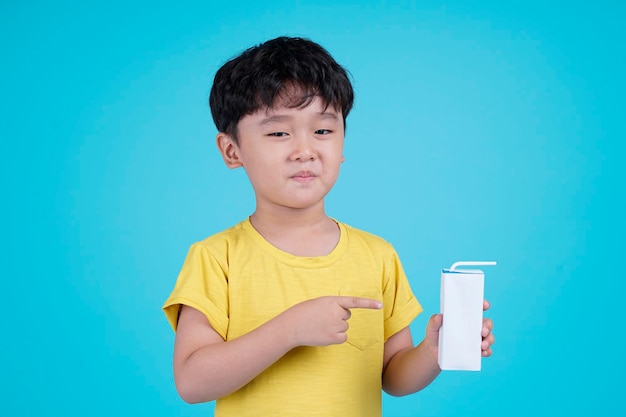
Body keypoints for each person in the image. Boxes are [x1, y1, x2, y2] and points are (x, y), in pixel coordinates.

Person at [162, 36, 495, 417]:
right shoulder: (215, 258)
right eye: (278, 133)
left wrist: (434, 352)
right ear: (231, 151)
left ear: (342, 143)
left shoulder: (377, 255)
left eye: (322, 131)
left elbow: (393, 376)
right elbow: (191, 382)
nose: (305, 149)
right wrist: (288, 330)